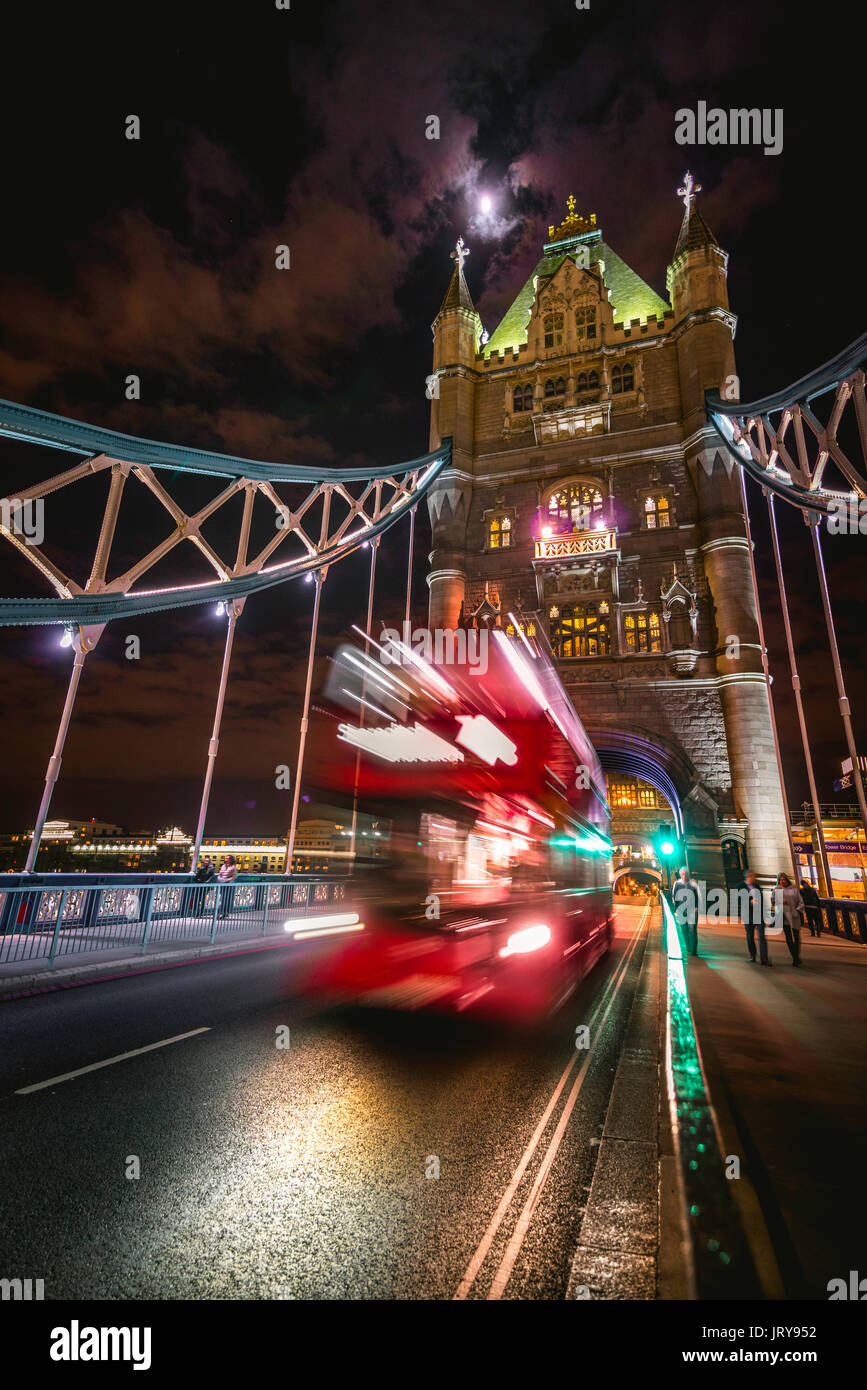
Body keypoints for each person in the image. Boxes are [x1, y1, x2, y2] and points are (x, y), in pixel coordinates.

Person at [737, 869, 770, 965]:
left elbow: (762, 899)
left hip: (759, 915)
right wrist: (749, 902)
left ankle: (764, 958)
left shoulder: (757, 886)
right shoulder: (740, 886)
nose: (755, 878)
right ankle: (752, 954)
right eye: (753, 876)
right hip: (748, 915)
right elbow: (737, 900)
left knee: (762, 937)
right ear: (748, 876)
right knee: (750, 936)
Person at [771, 872, 804, 966]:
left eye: (784, 879)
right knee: (788, 937)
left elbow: (801, 902)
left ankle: (796, 955)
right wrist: (779, 901)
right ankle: (795, 957)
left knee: (796, 937)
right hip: (784, 916)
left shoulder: (794, 890)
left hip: (794, 915)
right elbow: (772, 901)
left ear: (787, 880)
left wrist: (798, 911)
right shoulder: (777, 890)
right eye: (780, 880)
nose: (782, 881)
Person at [672, 866, 701, 956]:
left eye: (686, 874)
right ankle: (688, 946)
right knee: (684, 929)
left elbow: (699, 896)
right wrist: (676, 908)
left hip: (692, 910)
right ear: (680, 875)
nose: (684, 876)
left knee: (692, 930)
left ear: (689, 875)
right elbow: (674, 896)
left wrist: (697, 907)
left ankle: (693, 951)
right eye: (683, 874)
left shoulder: (693, 884)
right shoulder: (677, 884)